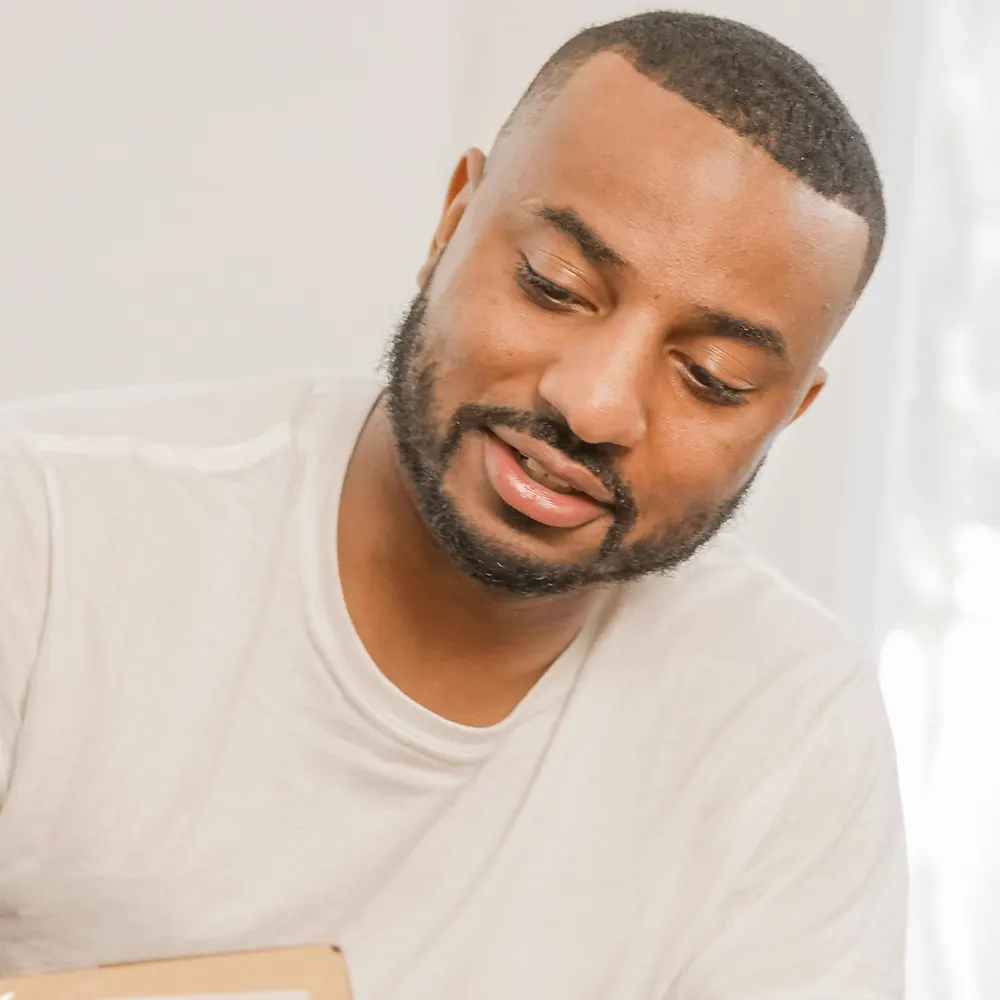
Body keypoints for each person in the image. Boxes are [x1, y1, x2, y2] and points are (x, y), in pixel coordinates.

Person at [0, 11, 906, 1000]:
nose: (594, 404)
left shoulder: (785, 717)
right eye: (554, 287)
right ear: (450, 224)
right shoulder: (46, 531)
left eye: (711, 377)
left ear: (787, 412)